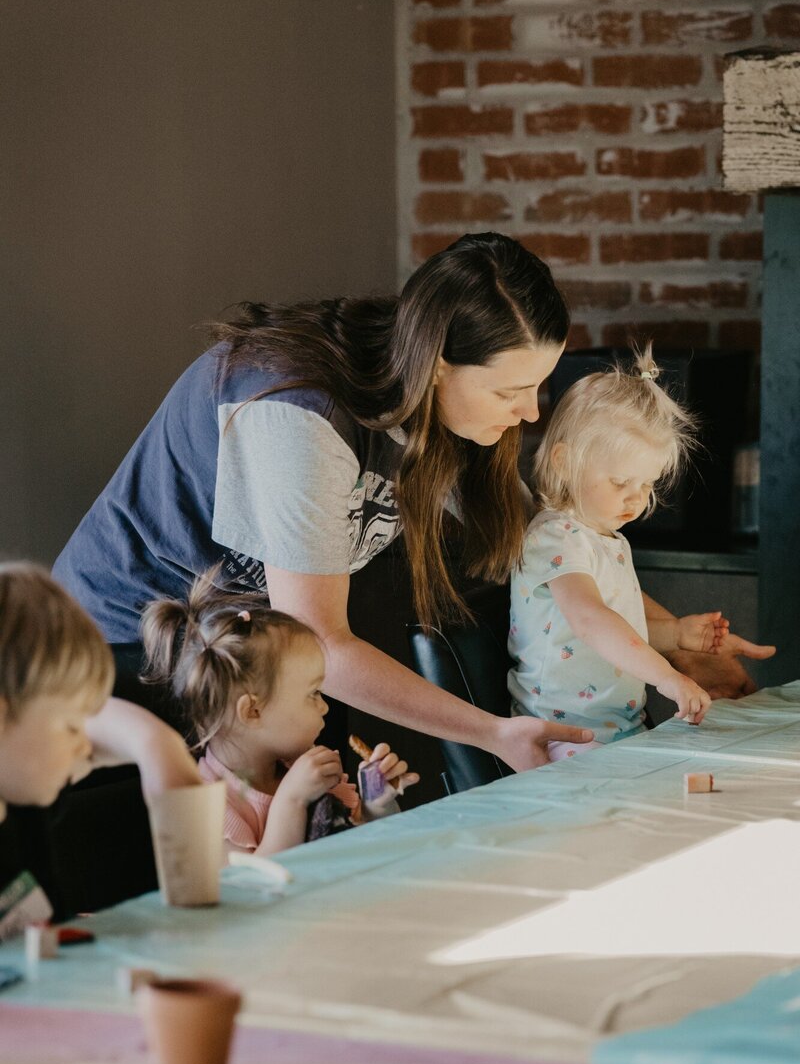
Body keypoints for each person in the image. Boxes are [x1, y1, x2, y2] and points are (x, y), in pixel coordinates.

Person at [53, 232, 764, 777]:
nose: (530, 413)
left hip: (242, 663)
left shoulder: (444, 410)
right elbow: (322, 643)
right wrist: (493, 733)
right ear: (437, 364)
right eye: (510, 390)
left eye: (539, 386)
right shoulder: (297, 410)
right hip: (122, 658)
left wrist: (675, 644)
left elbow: (557, 552)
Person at [508, 347, 775, 759]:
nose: (636, 499)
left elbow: (623, 626)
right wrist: (666, 676)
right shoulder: (556, 537)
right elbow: (591, 621)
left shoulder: (607, 539)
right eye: (620, 482)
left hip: (616, 729)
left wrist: (678, 635)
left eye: (647, 484)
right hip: (563, 734)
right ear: (563, 462)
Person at [140, 572, 418, 855]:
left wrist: (375, 806)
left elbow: (358, 849)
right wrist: (292, 801)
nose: (324, 707)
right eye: (313, 693)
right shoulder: (204, 803)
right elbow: (252, 881)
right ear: (253, 710)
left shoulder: (302, 766)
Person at [0, 562, 202, 931]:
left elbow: (144, 737)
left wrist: (161, 749)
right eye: (72, 727)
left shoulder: (24, 795)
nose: (85, 747)